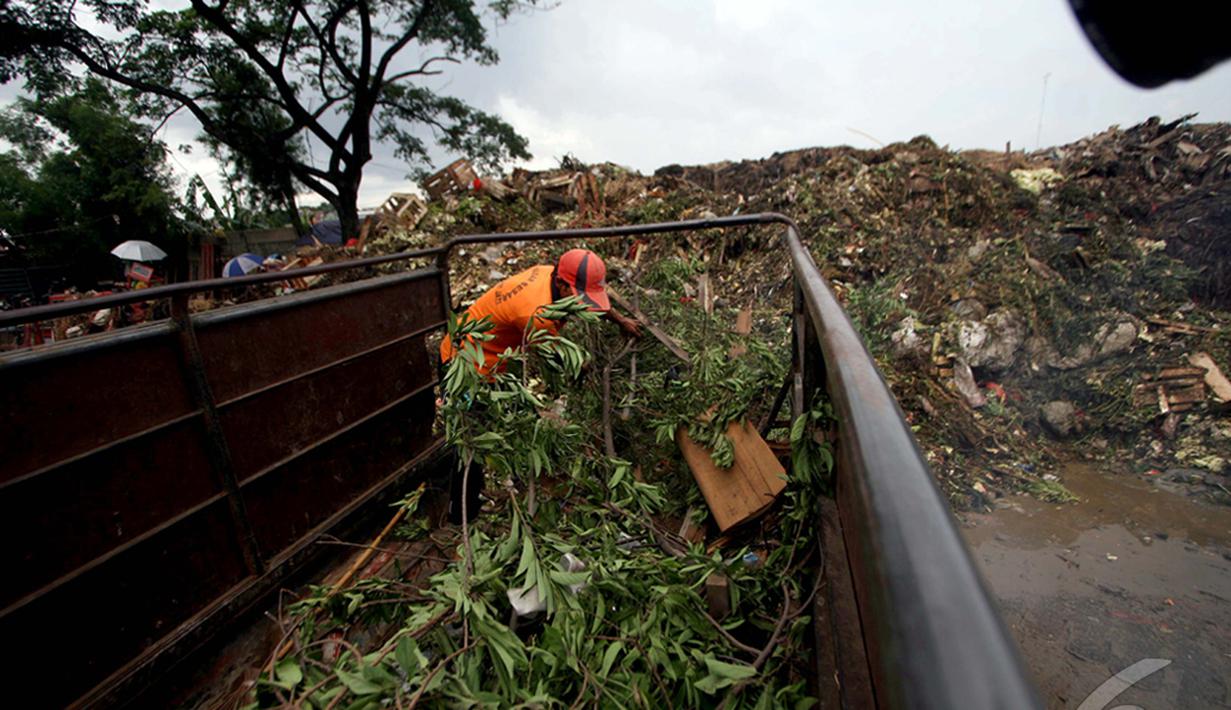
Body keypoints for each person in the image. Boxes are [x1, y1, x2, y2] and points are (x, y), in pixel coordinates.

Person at [440, 248, 640, 375]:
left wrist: (621, 320)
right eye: (581, 296)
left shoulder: (549, 272)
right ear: (561, 284)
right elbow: (560, 357)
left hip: (492, 352)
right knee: (475, 433)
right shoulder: (536, 316)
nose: (584, 303)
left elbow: (589, 302)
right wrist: (588, 368)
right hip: (465, 362)